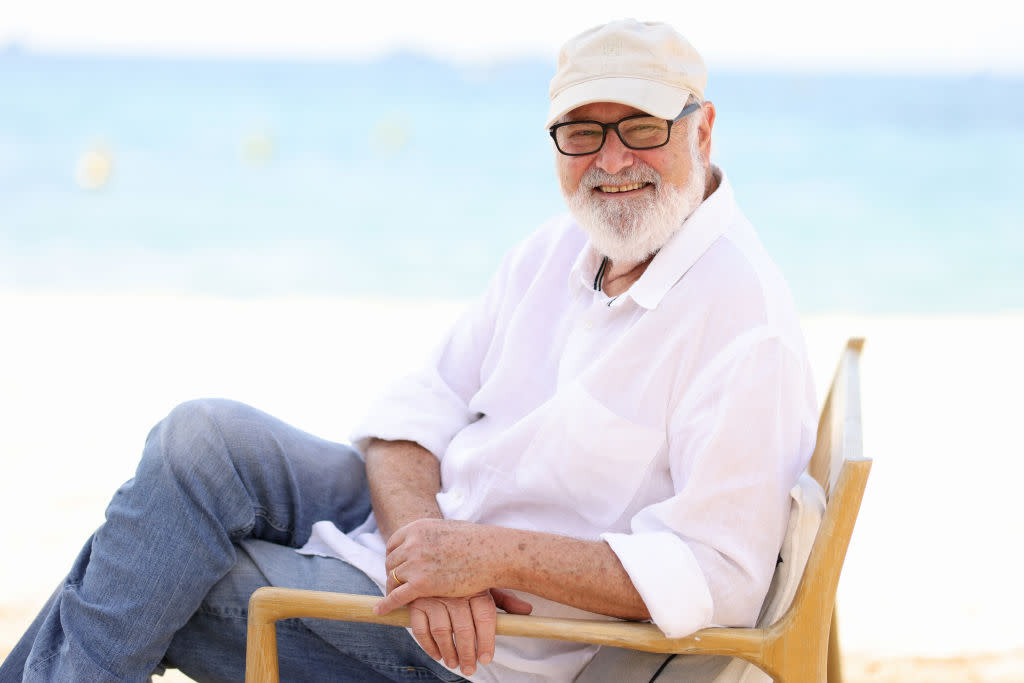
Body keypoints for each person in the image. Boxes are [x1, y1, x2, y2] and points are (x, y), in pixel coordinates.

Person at [0, 18, 817, 683]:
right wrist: (424, 545)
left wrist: (485, 557)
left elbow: (719, 577)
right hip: (421, 544)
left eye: (639, 127)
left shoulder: (743, 322)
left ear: (702, 128)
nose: (610, 161)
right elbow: (412, 412)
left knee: (157, 558)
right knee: (195, 441)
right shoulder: (553, 252)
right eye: (581, 132)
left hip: (480, 651)